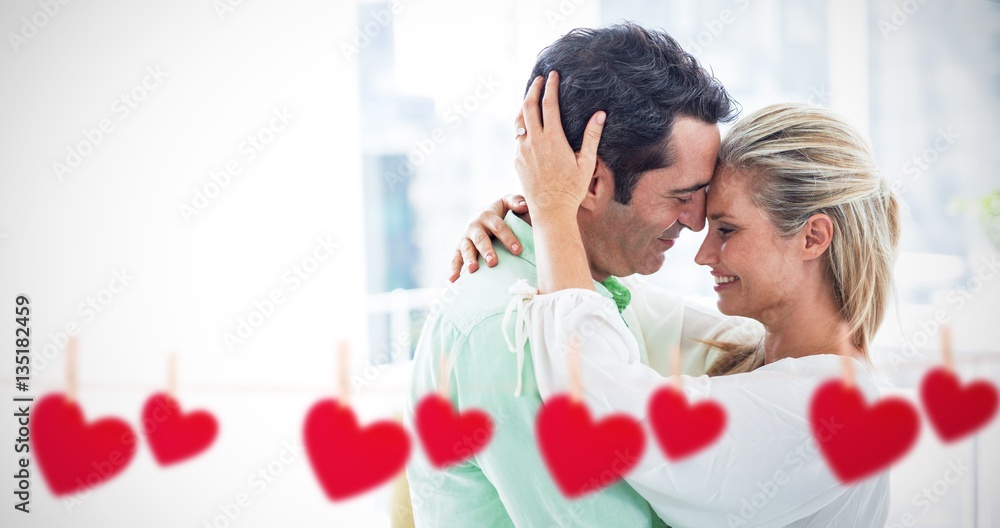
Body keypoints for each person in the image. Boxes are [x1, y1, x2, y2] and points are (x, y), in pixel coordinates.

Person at [462, 76, 898, 526]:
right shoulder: (757, 349)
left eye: (727, 230)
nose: (704, 253)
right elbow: (613, 298)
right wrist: (528, 224)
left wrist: (553, 208)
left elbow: (597, 398)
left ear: (813, 237)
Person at [403, 22, 758, 527]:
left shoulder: (600, 289)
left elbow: (752, 348)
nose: (698, 221)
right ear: (592, 182)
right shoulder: (509, 331)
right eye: (681, 197)